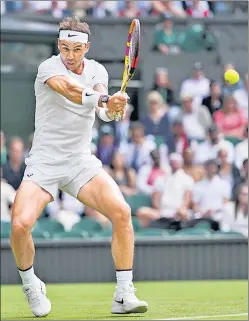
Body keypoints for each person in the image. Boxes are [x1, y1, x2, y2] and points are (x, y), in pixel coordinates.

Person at [10, 16, 148, 318]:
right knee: (20, 225)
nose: (69, 56)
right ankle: (31, 284)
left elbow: (102, 105)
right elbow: (71, 91)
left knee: (122, 213)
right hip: (45, 161)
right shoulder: (48, 68)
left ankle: (124, 294)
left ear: (86, 47)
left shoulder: (97, 70)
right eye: (64, 48)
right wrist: (104, 99)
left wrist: (111, 108)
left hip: (79, 161)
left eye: (75, 49)